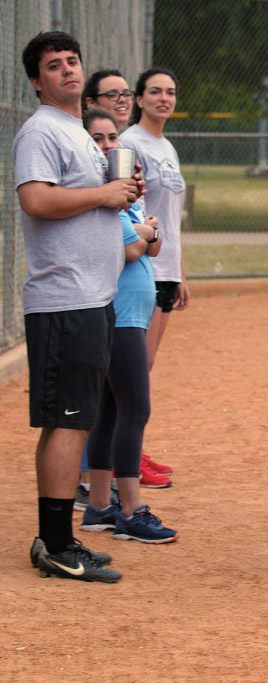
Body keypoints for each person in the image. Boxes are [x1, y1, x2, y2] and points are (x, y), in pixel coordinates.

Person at [15, 31, 144, 583]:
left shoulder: (76, 130)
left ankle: (55, 537)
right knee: (67, 424)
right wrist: (103, 195)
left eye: (72, 62)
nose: (68, 71)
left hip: (92, 296)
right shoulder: (40, 130)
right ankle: (60, 545)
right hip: (64, 299)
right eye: (53, 65)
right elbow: (37, 199)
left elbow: (90, 198)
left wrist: (120, 190)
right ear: (36, 80)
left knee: (74, 419)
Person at [78, 109, 178, 545]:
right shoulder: (99, 195)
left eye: (110, 137)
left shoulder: (126, 195)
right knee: (136, 407)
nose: (106, 145)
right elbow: (134, 250)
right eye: (96, 139)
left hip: (131, 313)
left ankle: (100, 506)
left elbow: (148, 245)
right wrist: (146, 231)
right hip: (120, 315)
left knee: (111, 411)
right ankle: (132, 510)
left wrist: (145, 230)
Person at [119, 67, 187, 488]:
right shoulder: (129, 143)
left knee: (145, 365)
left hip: (166, 265)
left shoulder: (167, 145)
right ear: (139, 99)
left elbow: (174, 220)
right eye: (155, 92)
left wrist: (181, 273)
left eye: (171, 92)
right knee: (134, 368)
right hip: (143, 263)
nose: (164, 98)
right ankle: (123, 456)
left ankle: (133, 448)